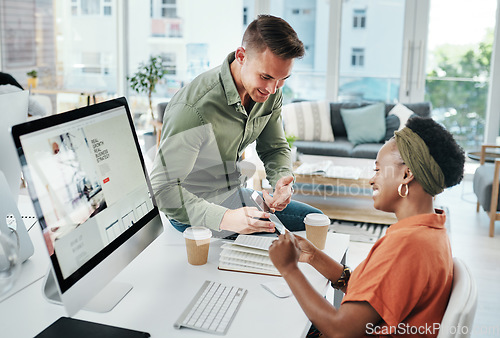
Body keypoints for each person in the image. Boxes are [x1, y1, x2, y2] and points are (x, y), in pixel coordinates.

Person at [269, 117, 465, 337]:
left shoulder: (406, 246)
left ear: (406, 174)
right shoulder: (431, 231)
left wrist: (288, 268)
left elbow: (341, 330)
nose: (372, 180)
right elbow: (376, 295)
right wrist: (314, 256)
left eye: (378, 170)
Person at [150, 15, 321, 235]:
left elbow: (275, 148)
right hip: (194, 212)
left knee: (316, 223)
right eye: (266, 76)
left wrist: (281, 182)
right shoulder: (193, 108)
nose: (272, 89)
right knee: (282, 249)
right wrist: (226, 218)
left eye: (282, 79)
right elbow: (163, 190)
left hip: (235, 196)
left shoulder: (270, 91)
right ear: (241, 56)